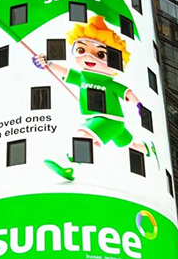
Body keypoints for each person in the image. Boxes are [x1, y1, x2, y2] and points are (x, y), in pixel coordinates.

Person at [32, 15, 158, 181]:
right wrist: (47, 63)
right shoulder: (82, 78)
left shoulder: (109, 83)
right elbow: (64, 72)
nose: (88, 57)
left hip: (109, 120)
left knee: (84, 135)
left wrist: (139, 105)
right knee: (129, 145)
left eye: (100, 54)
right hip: (103, 120)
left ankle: (72, 164)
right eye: (81, 50)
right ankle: (147, 148)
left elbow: (127, 92)